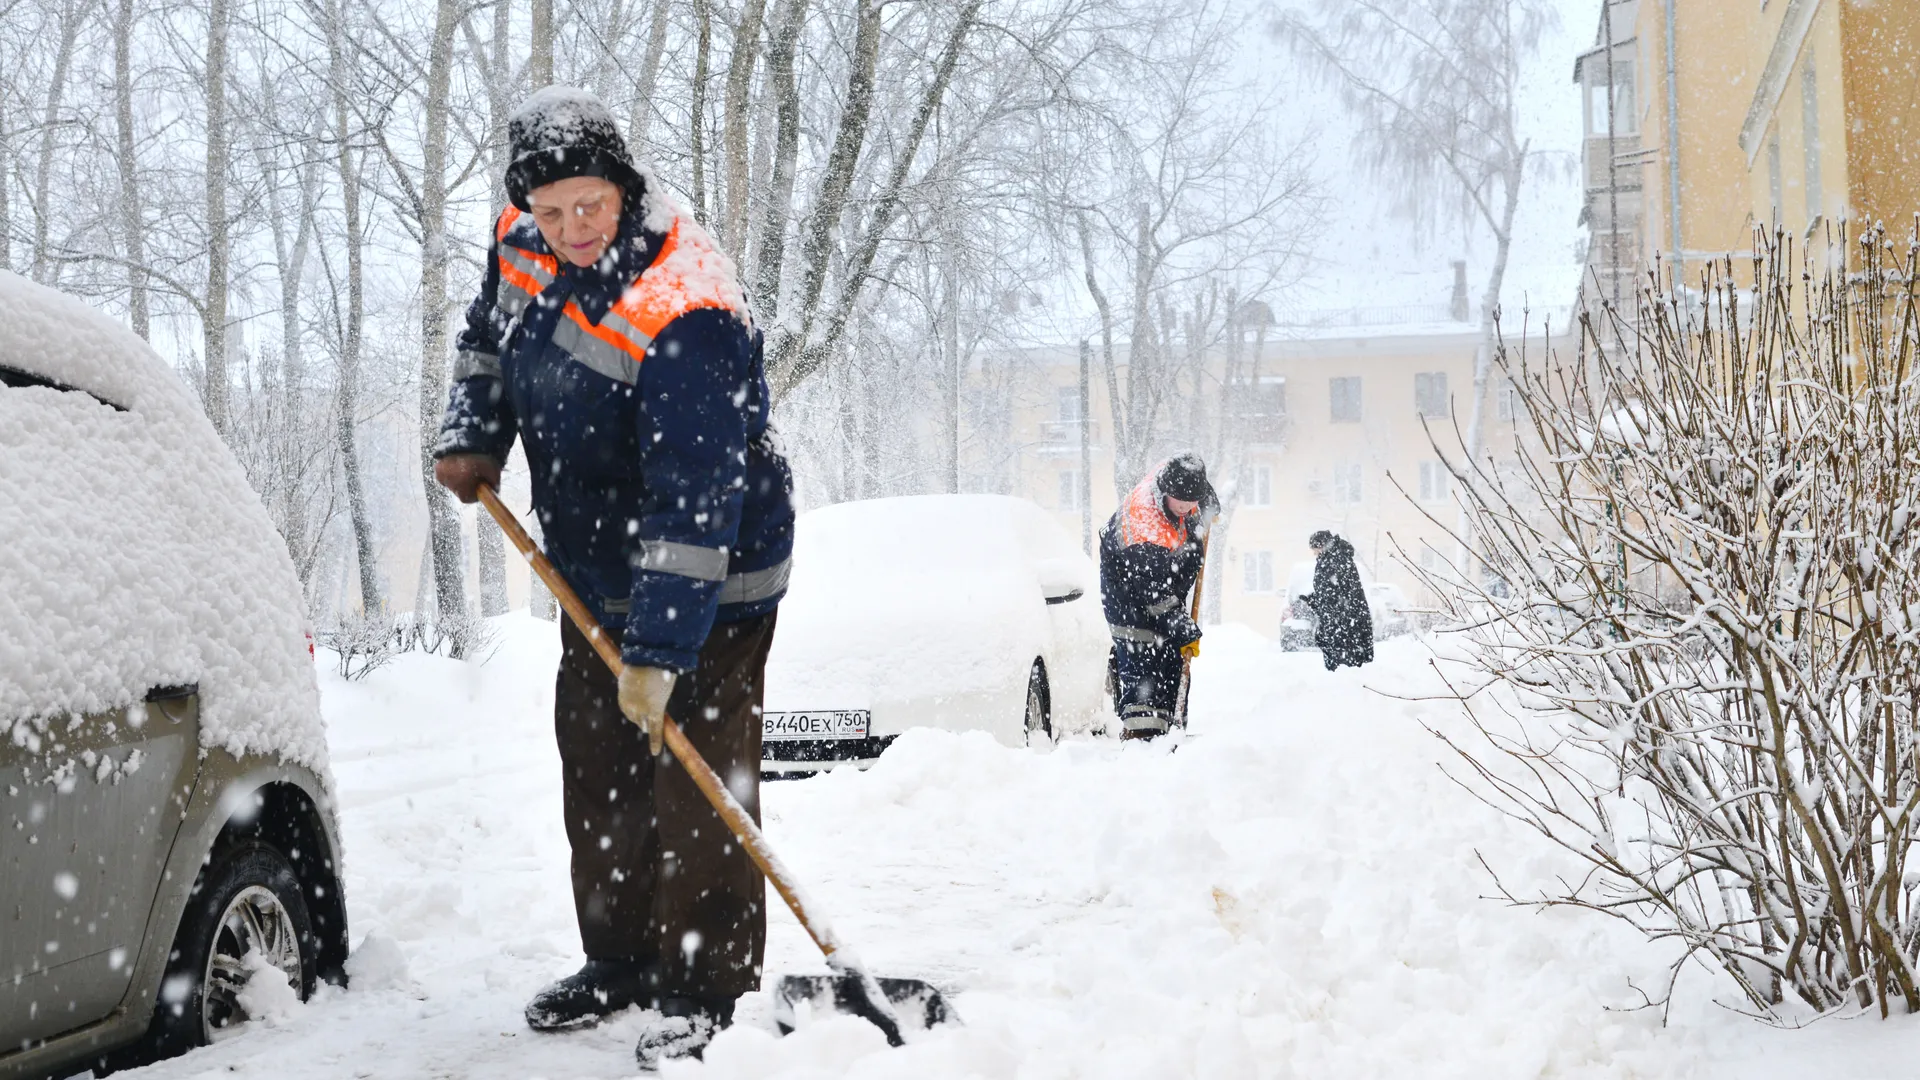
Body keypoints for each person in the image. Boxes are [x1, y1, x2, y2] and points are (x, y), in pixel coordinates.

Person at [431, 86, 793, 1069]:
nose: (571, 229)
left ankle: (711, 990)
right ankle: (622, 962)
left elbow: (695, 497)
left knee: (696, 785)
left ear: (624, 189)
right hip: (592, 571)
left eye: (589, 206)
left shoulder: (690, 309)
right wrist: (473, 434)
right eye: (550, 213)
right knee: (598, 775)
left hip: (713, 584)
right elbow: (486, 341)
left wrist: (662, 652)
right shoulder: (524, 240)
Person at [1098, 454, 1216, 739]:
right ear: (1166, 491)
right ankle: (1143, 740)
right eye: (1182, 502)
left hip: (1160, 590)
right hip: (1128, 599)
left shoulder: (1174, 477)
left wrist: (1209, 504)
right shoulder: (1145, 525)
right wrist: (1185, 629)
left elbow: (1198, 491)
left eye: (1194, 501)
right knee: (1144, 672)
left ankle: (1170, 732)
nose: (1188, 508)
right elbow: (1155, 596)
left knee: (1171, 659)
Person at [1297, 530, 1373, 671]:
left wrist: (1322, 603)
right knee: (1340, 665)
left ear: (1322, 545)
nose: (1315, 553)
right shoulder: (1333, 558)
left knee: (1344, 667)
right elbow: (1329, 592)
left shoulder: (1337, 560)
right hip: (1341, 622)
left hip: (1344, 623)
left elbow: (1337, 593)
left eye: (1315, 549)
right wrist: (1314, 600)